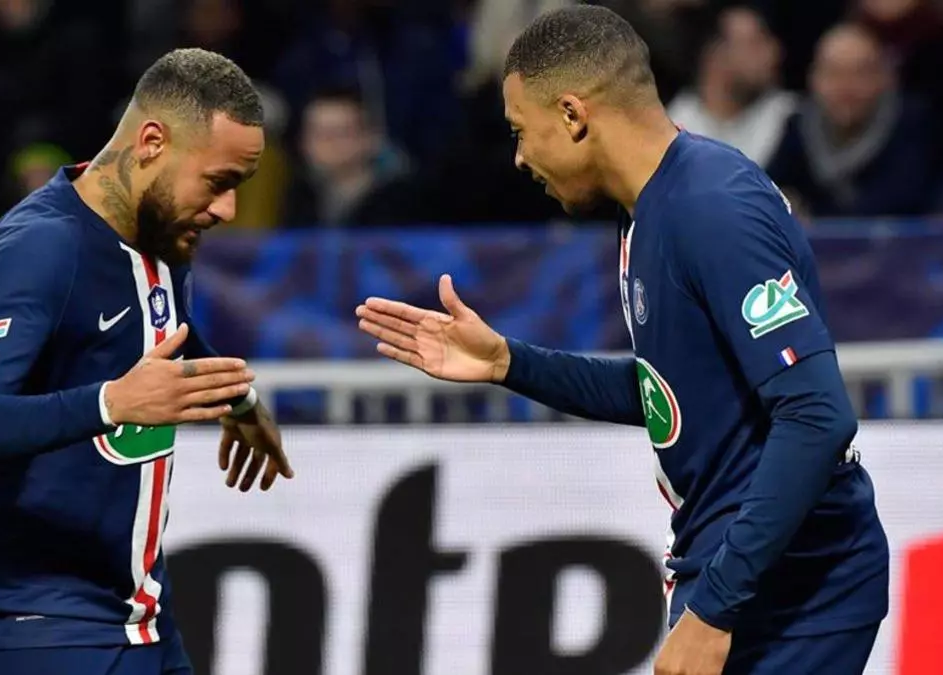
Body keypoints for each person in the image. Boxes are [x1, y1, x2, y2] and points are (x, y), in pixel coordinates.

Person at [355, 6, 888, 675]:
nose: (519, 157)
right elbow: (671, 394)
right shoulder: (650, 208)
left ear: (573, 115)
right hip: (740, 573)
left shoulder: (712, 208)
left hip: (793, 589)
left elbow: (816, 414)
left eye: (521, 130)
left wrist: (716, 609)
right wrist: (509, 362)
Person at [0, 48, 294, 675]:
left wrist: (238, 398)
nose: (228, 210)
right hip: (33, 622)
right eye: (219, 182)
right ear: (152, 142)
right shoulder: (39, 247)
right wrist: (111, 403)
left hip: (138, 612)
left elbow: (164, 332)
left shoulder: (160, 230)